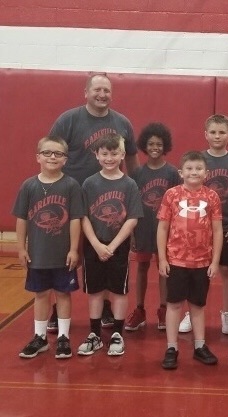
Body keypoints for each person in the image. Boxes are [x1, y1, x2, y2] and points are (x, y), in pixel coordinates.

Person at [47, 72, 140, 332]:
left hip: (110, 202)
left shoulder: (122, 122)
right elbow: (52, 152)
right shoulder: (68, 120)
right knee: (67, 255)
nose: (102, 95)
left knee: (106, 252)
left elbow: (132, 159)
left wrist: (135, 189)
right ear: (86, 92)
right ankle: (57, 308)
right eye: (97, 89)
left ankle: (107, 306)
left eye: (106, 90)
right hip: (72, 199)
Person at [13, 136, 84, 359]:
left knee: (63, 294)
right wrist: (21, 248)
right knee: (41, 294)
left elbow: (75, 219)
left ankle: (63, 337)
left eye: (58, 153)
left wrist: (73, 249)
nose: (52, 157)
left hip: (62, 254)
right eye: (47, 153)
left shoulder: (71, 185)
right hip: (37, 254)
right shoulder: (29, 186)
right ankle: (40, 337)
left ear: (65, 159)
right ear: (38, 157)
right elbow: (22, 219)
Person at [77, 134, 143, 357]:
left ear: (122, 154)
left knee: (119, 290)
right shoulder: (89, 183)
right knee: (95, 290)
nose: (109, 158)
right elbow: (83, 217)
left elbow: (132, 219)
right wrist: (96, 244)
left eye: (114, 153)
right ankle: (94, 334)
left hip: (119, 246)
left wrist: (112, 246)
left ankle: (117, 334)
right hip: (94, 245)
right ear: (96, 155)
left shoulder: (129, 184)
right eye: (104, 153)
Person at [178, 114, 228, 336]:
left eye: (222, 132)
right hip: (198, 226)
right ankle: (191, 311)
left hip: (226, 225)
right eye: (213, 132)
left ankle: (227, 313)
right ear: (205, 134)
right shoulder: (197, 161)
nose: (217, 136)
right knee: (194, 270)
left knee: (226, 269)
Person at [158, 151, 223, 370]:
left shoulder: (212, 196)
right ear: (181, 172)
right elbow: (163, 227)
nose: (194, 172)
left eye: (198, 169)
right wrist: (162, 258)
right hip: (176, 261)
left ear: (206, 173)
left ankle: (199, 345)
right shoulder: (171, 195)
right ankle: (171, 347)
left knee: (197, 305)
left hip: (202, 262)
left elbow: (217, 229)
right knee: (174, 304)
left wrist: (215, 261)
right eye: (189, 168)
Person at [124, 123, 180, 332]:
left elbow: (177, 203)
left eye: (159, 144)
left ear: (165, 146)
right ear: (144, 146)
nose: (155, 147)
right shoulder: (137, 173)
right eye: (151, 144)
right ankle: (139, 310)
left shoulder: (172, 173)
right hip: (143, 227)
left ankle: (163, 309)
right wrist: (132, 232)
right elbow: (132, 204)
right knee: (142, 267)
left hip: (165, 229)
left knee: (164, 269)